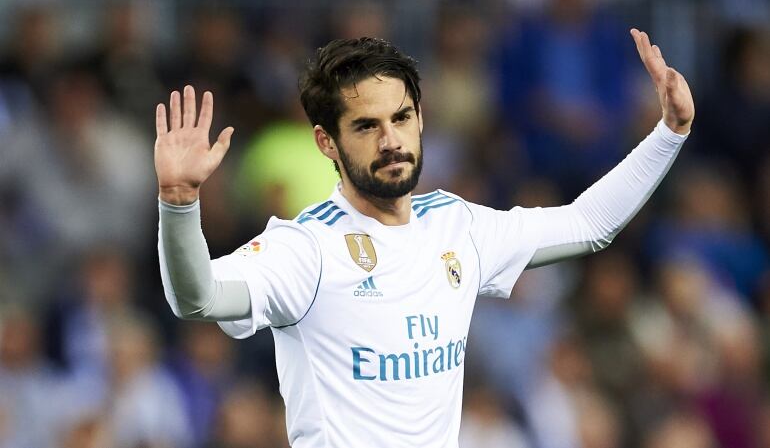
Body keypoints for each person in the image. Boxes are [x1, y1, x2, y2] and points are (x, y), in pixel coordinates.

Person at [155, 30, 694, 448]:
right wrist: (179, 202)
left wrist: (669, 132)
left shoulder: (457, 227)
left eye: (401, 117)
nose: (390, 140)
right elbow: (197, 298)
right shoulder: (305, 249)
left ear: (420, 118)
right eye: (366, 126)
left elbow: (587, 224)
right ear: (326, 142)